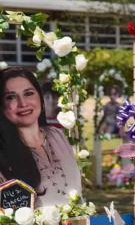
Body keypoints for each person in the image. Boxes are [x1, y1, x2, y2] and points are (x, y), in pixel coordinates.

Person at [0, 67, 81, 206]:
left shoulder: (57, 135)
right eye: (11, 97)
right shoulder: (2, 152)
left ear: (40, 98)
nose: (23, 103)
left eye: (29, 93)